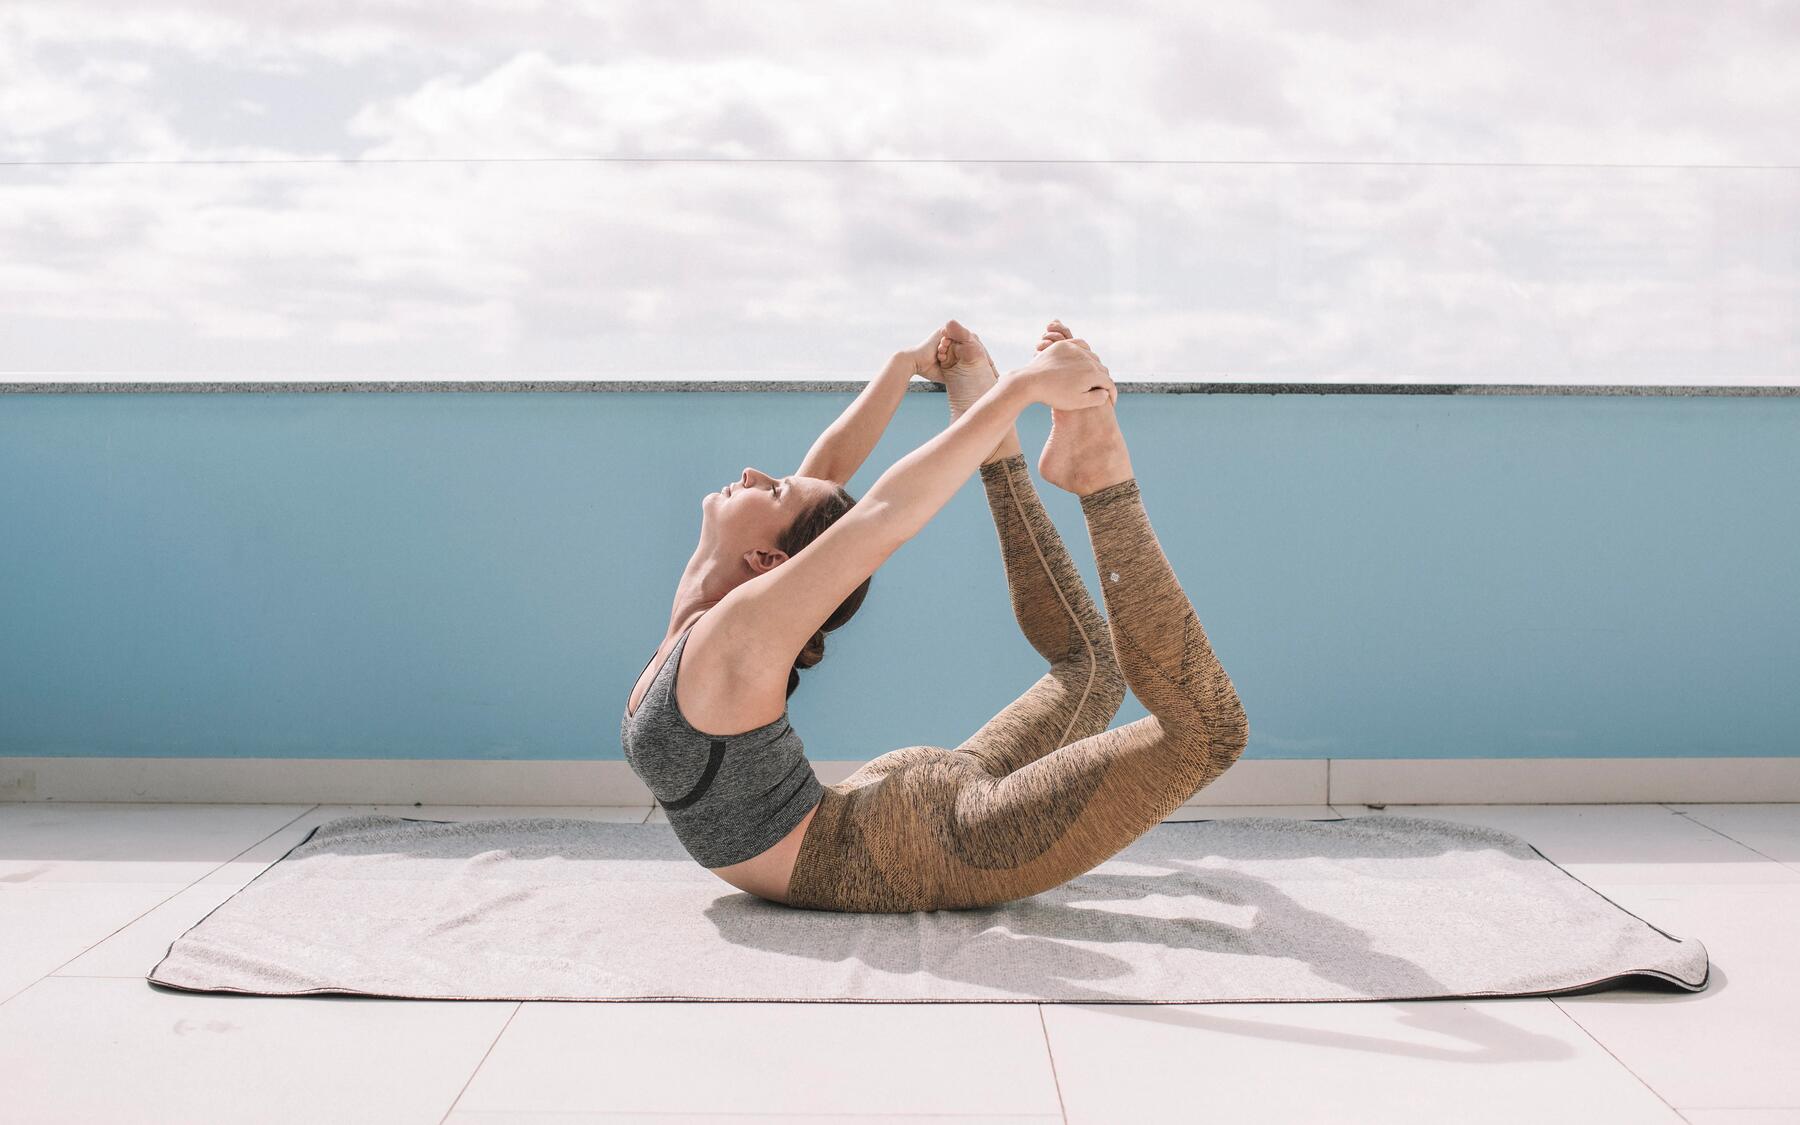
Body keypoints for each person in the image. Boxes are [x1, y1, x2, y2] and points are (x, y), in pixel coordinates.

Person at [620, 320, 1249, 911]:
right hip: (907, 827)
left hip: (914, 837)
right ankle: (1058, 467)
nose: (757, 472)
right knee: (1152, 700)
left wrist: (953, 378)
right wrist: (983, 383)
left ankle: (1080, 472)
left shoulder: (729, 624)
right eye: (775, 485)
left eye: (773, 486)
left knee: (1160, 704)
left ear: (766, 560)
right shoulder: (733, 623)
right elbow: (858, 500)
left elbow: (848, 489)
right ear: (765, 559)